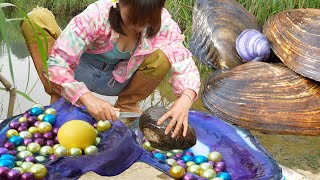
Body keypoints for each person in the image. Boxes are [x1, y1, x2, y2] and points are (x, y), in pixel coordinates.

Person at [21, 0, 200, 138]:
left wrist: (186, 98)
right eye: (135, 16)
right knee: (35, 19)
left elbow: (184, 63)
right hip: (78, 72)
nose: (140, 24)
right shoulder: (98, 14)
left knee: (162, 57)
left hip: (117, 79)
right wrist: (86, 98)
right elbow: (59, 62)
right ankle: (60, 96)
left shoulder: (163, 22)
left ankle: (127, 105)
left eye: (148, 19)